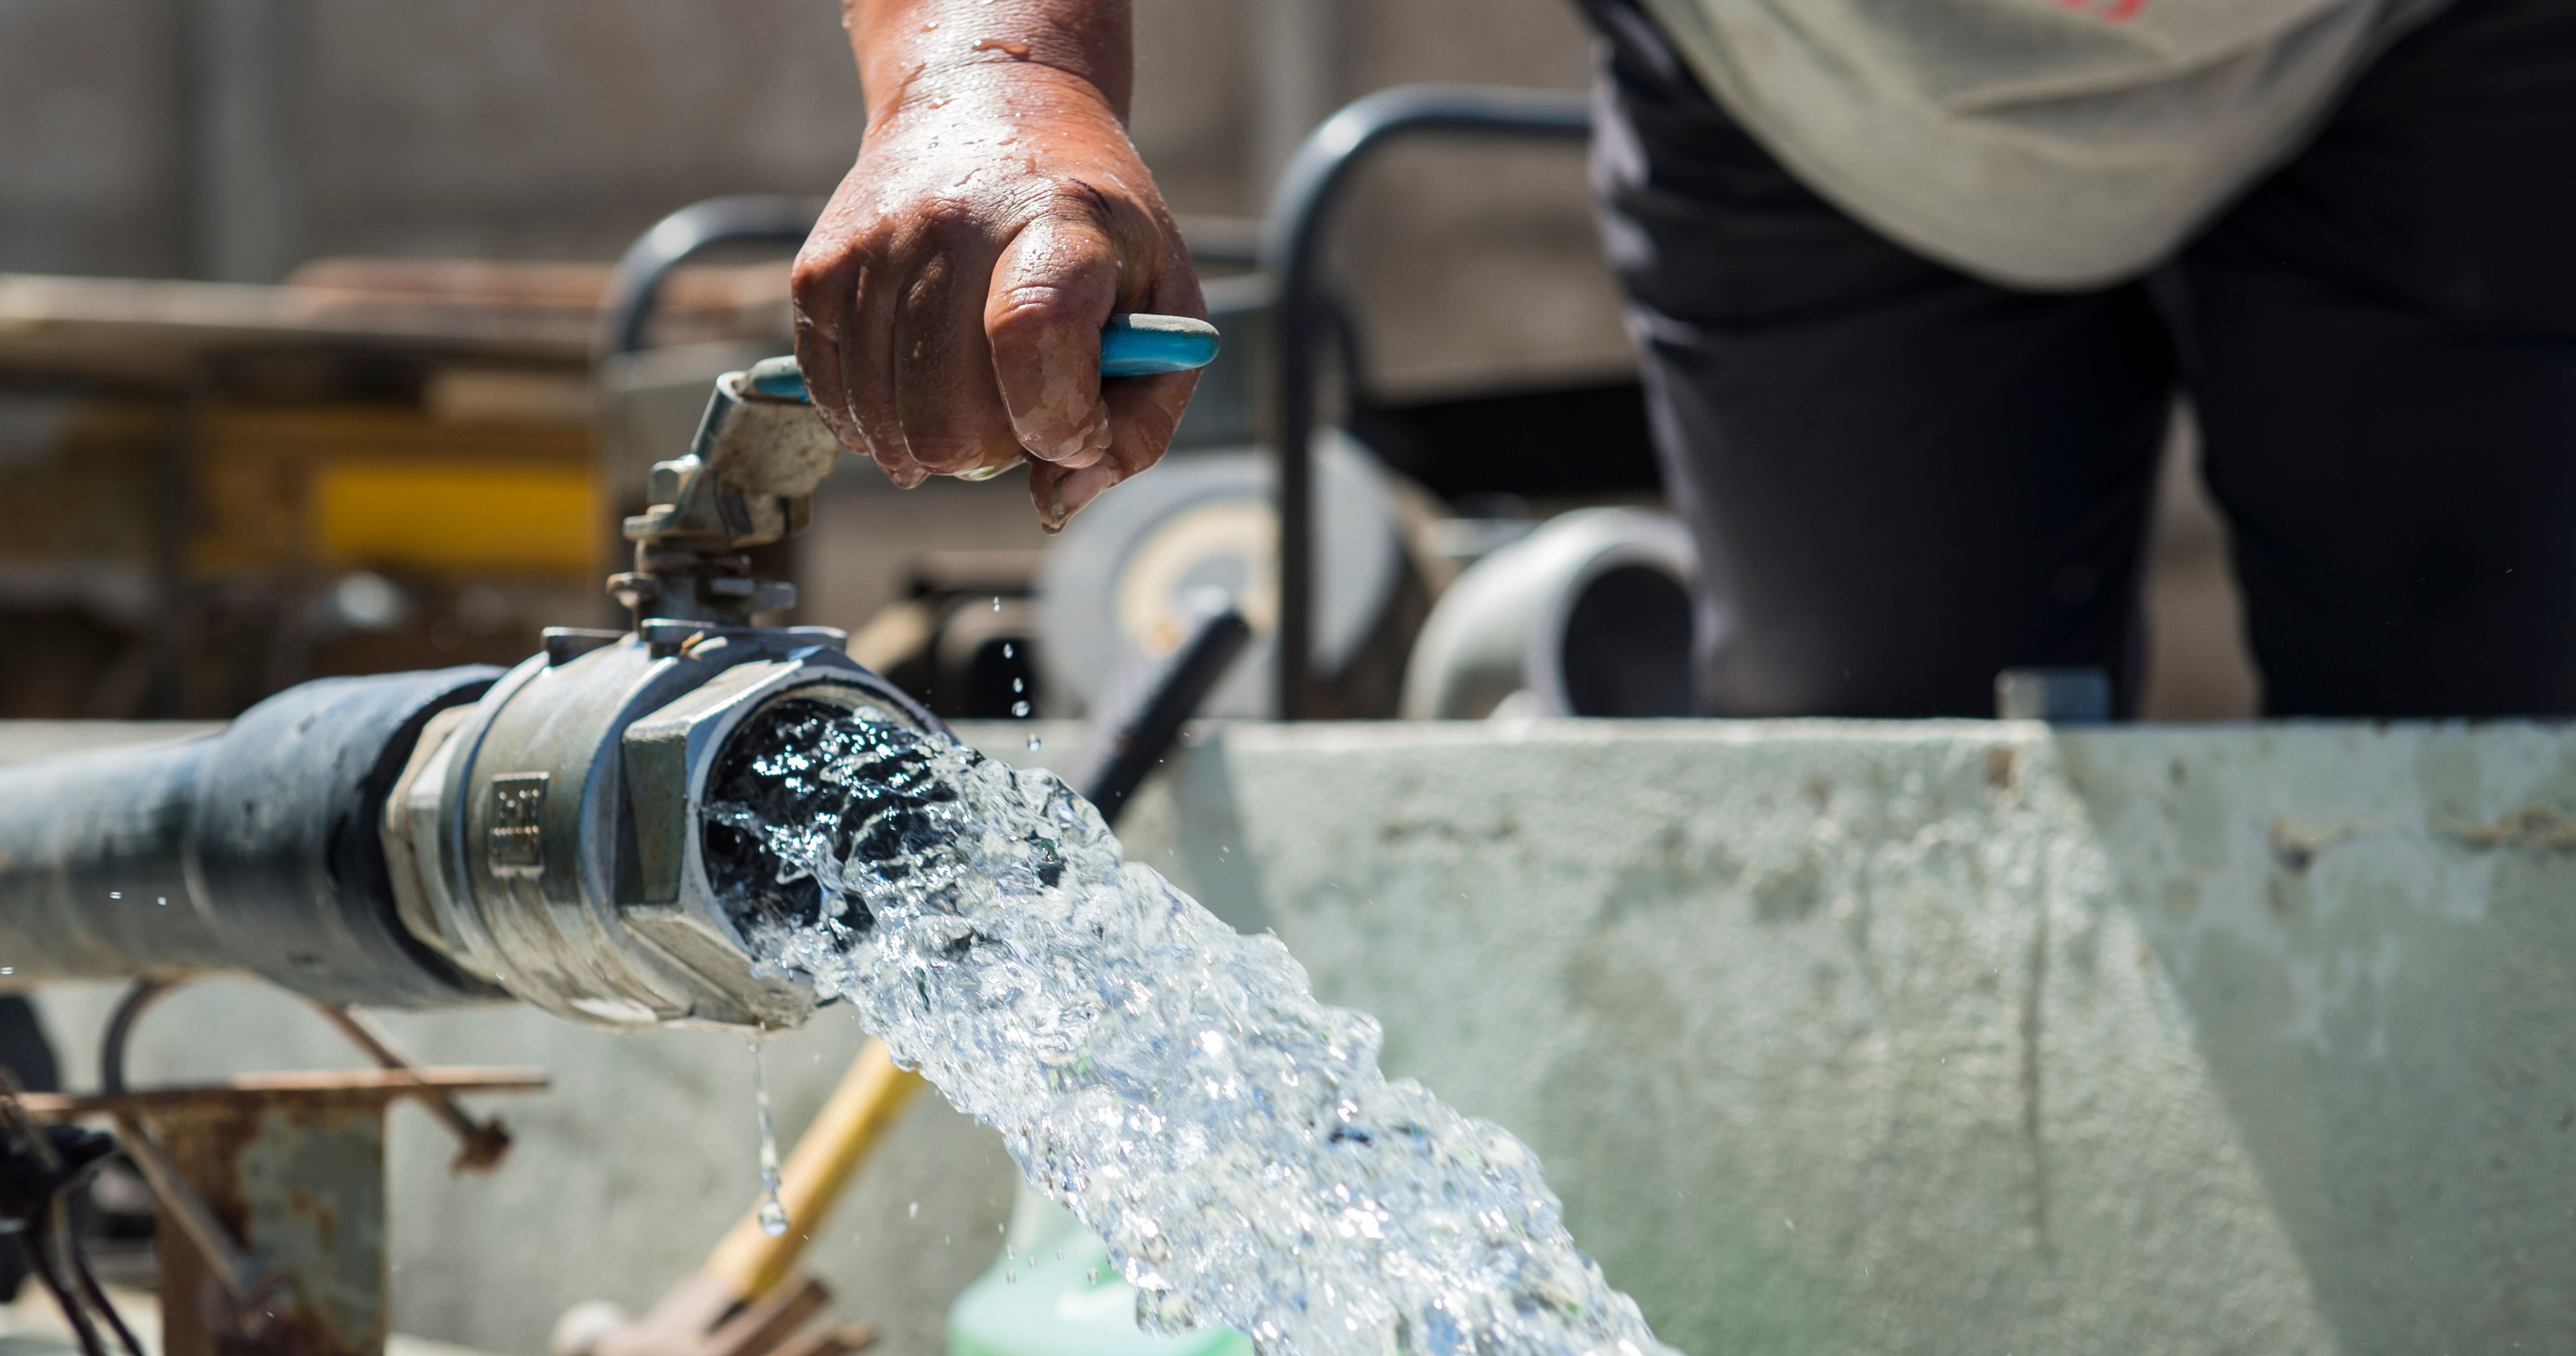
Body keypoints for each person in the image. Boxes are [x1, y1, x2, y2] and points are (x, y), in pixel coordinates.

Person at [791, 0, 2576, 718]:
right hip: (1812, 99)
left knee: (2502, 792)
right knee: (1871, 813)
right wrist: (994, 78)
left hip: (2420, 60)